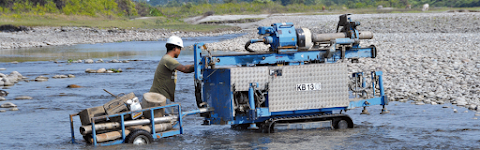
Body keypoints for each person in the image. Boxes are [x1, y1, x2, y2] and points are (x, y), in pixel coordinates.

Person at [149, 36, 194, 105]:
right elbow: (185, 69)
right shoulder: (167, 59)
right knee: (170, 115)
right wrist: (199, 64)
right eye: (180, 49)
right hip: (160, 97)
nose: (180, 51)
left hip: (161, 96)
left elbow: (185, 67)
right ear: (175, 48)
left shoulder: (166, 59)